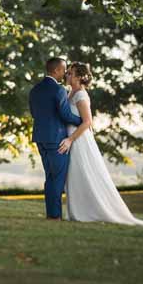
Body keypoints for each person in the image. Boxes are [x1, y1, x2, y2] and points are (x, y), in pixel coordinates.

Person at [63, 62, 143, 228]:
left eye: (70, 73)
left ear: (79, 77)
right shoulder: (70, 92)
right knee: (74, 174)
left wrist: (71, 139)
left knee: (82, 172)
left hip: (79, 139)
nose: (67, 76)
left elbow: (87, 122)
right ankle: (77, 211)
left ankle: (88, 212)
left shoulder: (81, 95)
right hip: (70, 137)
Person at [28, 57, 83, 220]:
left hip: (40, 138)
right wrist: (83, 121)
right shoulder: (59, 90)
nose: (65, 73)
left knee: (50, 177)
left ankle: (51, 214)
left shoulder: (35, 90)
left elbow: (33, 113)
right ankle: (54, 216)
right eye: (64, 70)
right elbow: (65, 115)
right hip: (57, 139)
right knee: (57, 179)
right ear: (57, 70)